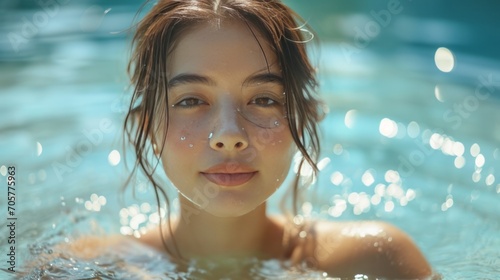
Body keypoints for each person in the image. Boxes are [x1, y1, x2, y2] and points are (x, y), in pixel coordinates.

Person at [122, 0, 433, 278]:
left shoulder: (375, 261)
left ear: (300, 118)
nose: (230, 135)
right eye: (190, 101)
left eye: (263, 99)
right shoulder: (104, 268)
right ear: (149, 128)